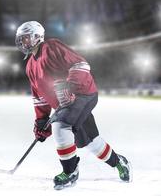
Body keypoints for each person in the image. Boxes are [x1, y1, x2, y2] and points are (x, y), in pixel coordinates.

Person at [15, 21, 132, 190]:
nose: (22, 42)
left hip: (82, 93)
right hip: (66, 104)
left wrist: (69, 85)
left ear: (37, 36)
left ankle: (70, 172)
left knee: (61, 126)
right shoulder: (30, 66)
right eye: (20, 39)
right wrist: (41, 120)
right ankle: (119, 162)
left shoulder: (51, 46)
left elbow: (81, 64)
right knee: (91, 141)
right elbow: (39, 96)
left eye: (25, 38)